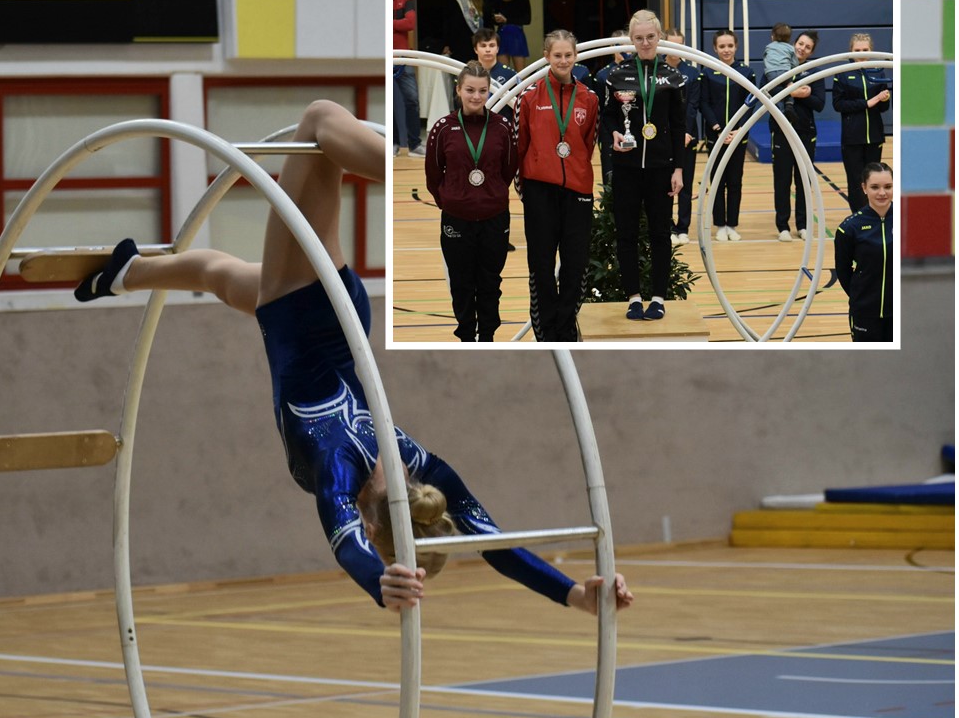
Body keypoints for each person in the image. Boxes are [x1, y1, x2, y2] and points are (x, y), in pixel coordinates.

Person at [74, 100, 634, 614]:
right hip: (320, 311)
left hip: (300, 311)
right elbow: (493, 543)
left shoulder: (335, 472)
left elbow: (345, 547)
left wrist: (378, 582)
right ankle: (451, 182)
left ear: (373, 519)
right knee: (277, 188)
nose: (403, 474)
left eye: (398, 492)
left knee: (243, 238)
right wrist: (574, 593)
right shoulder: (412, 464)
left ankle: (128, 274)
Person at [514, 29, 600, 342]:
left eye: (568, 55)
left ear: (575, 57)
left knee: (575, 265)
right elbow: (519, 145)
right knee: (541, 265)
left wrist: (574, 172)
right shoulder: (529, 96)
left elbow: (588, 144)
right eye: (557, 55)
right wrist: (525, 189)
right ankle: (545, 331)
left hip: (577, 191)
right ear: (546, 56)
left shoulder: (589, 99)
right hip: (539, 191)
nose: (563, 61)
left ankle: (566, 328)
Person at [602, 10, 685, 321]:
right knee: (626, 234)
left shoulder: (673, 77)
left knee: (661, 234)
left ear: (659, 37)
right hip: (626, 167)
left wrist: (679, 169)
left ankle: (659, 297)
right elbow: (608, 116)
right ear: (631, 40)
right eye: (639, 38)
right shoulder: (616, 75)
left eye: (651, 37)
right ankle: (633, 297)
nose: (645, 42)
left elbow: (679, 126)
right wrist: (611, 132)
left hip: (661, 168)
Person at [425, 63, 517, 342]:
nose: (476, 96)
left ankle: (487, 335)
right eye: (470, 90)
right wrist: (453, 201)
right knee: (462, 282)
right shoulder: (442, 129)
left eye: (482, 91)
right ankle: (466, 334)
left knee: (490, 281)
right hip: (456, 219)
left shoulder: (502, 127)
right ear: (458, 91)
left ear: (489, 91)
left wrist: (490, 195)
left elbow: (509, 169)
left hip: (494, 218)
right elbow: (433, 174)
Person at [700, 29, 757, 242]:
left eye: (730, 46)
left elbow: (750, 104)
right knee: (717, 180)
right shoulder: (707, 71)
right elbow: (703, 103)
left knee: (735, 181)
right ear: (715, 48)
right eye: (722, 46)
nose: (726, 50)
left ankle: (732, 224)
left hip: (738, 137)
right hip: (716, 136)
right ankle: (719, 224)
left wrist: (738, 129)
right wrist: (717, 127)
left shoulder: (747, 72)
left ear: (736, 46)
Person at [768, 30, 824, 241]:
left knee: (803, 181)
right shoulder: (776, 68)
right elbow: (769, 95)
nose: (802, 48)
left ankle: (803, 224)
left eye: (807, 47)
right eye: (800, 43)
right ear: (793, 43)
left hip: (805, 133)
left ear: (811, 52)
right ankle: (782, 226)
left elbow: (819, 104)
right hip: (781, 132)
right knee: (782, 181)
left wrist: (802, 94)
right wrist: (794, 91)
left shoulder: (814, 73)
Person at [834, 162, 893, 342]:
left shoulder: (908, 221)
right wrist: (861, 296)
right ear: (864, 188)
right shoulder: (849, 228)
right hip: (865, 312)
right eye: (875, 187)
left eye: (888, 187)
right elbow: (843, 271)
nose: (882, 193)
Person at [833, 33, 891, 213]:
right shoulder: (842, 74)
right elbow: (838, 104)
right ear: (850, 51)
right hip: (852, 138)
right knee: (856, 180)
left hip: (874, 136)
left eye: (865, 50)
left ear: (871, 50)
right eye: (857, 50)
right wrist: (866, 103)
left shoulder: (879, 71)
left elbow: (882, 109)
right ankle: (858, 217)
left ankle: (874, 214)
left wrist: (885, 99)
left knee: (874, 179)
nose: (861, 53)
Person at [662, 28, 702, 246]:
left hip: (686, 135)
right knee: (665, 183)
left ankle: (683, 227)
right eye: (671, 46)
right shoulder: (657, 69)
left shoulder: (693, 73)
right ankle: (666, 225)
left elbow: (693, 106)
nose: (675, 51)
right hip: (663, 137)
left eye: (679, 46)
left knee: (685, 183)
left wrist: (686, 132)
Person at [594, 29, 630, 188]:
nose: (624, 49)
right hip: (609, 133)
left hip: (632, 129)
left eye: (627, 45)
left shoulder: (636, 71)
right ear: (611, 47)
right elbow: (600, 109)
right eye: (620, 45)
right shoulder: (602, 75)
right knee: (610, 174)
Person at [392, 0, 425, 158]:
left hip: (403, 57)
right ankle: (393, 143)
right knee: (388, 102)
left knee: (411, 99)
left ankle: (415, 144)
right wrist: (398, 22)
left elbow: (410, 24)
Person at [471, 27, 520, 119]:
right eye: (483, 46)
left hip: (503, 126)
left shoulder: (510, 75)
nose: (488, 49)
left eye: (492, 45)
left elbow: (519, 106)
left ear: (497, 49)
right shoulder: (467, 75)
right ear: (475, 49)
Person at [484, 0, 531, 72]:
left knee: (520, 72)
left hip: (516, 34)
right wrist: (496, 19)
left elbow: (527, 19)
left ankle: (521, 85)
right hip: (502, 33)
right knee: (502, 70)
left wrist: (507, 20)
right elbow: (493, 18)